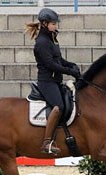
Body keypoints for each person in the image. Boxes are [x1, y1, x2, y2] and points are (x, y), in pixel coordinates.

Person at [25, 8, 81, 155]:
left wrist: (71, 65)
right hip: (47, 82)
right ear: (44, 24)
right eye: (53, 24)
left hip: (56, 81)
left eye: (55, 24)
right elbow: (50, 64)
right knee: (58, 106)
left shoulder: (52, 39)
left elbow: (59, 60)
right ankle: (47, 142)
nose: (55, 26)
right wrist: (69, 72)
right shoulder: (42, 42)